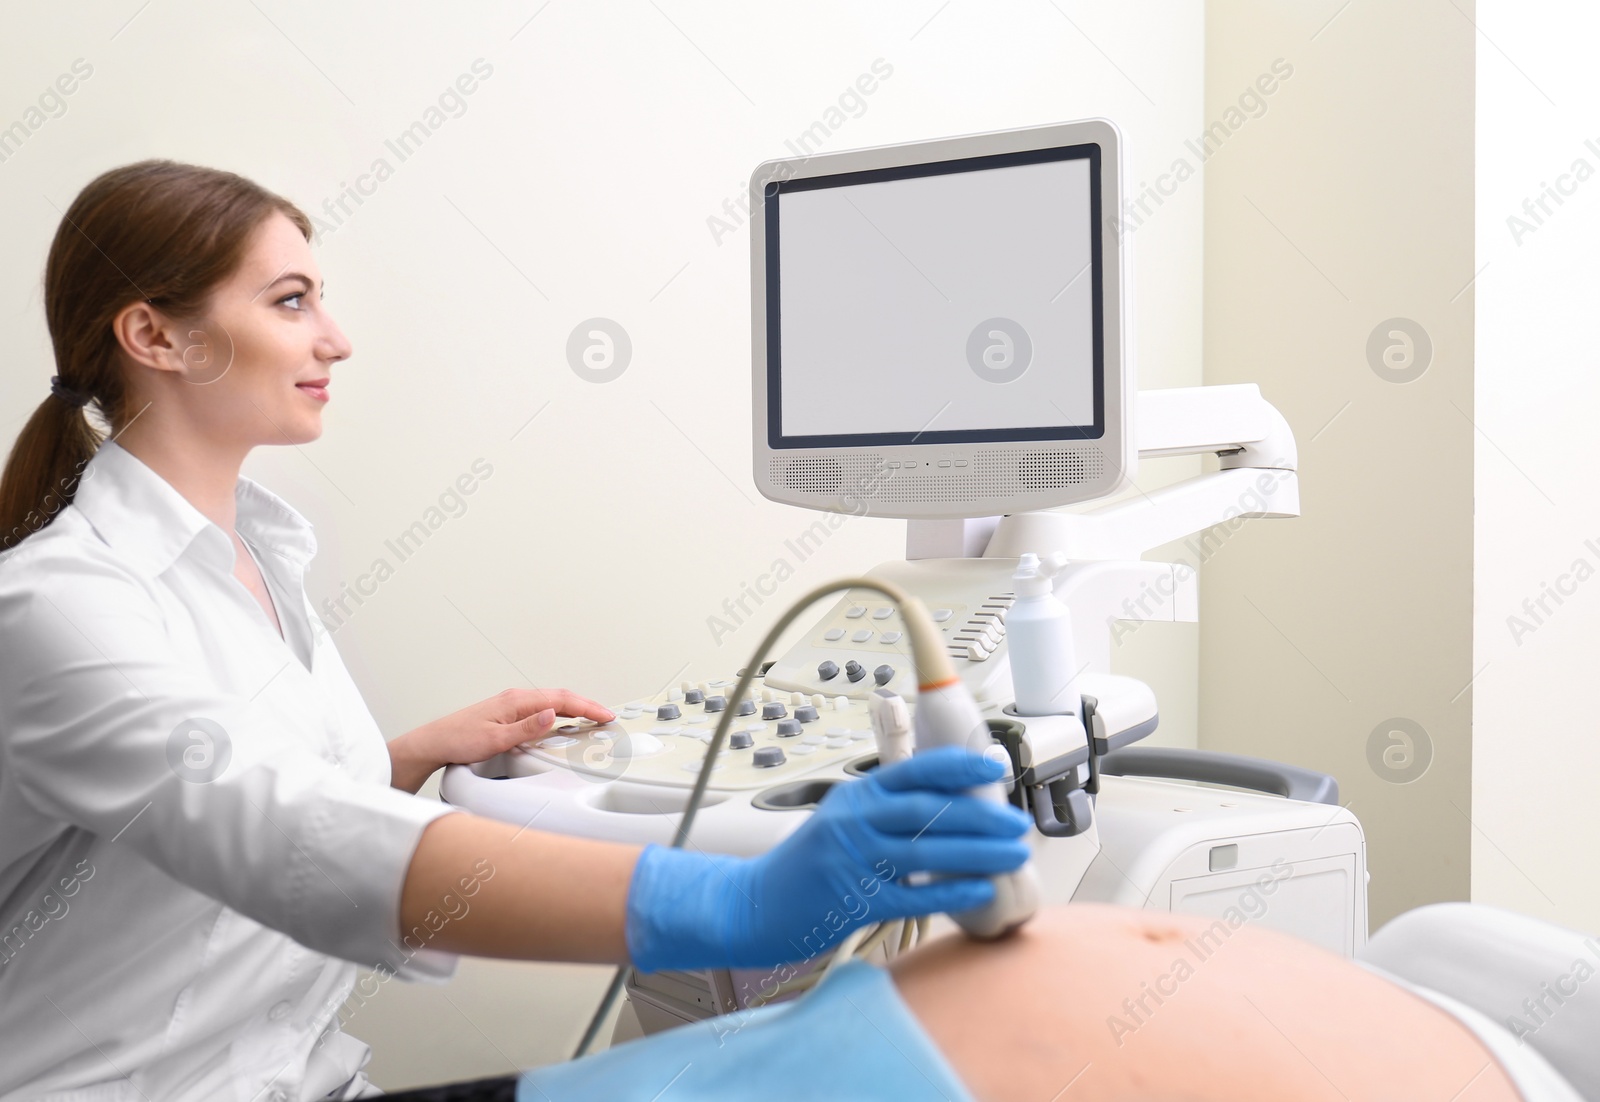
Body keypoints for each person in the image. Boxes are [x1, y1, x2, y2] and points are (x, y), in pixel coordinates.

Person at [0, 160, 1578, 1102]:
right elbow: (276, 833)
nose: (335, 333)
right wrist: (738, 899)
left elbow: (231, 793)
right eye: (289, 300)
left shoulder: (252, 553)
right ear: (153, 333)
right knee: (931, 1025)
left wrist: (407, 751)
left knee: (905, 1021)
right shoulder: (57, 604)